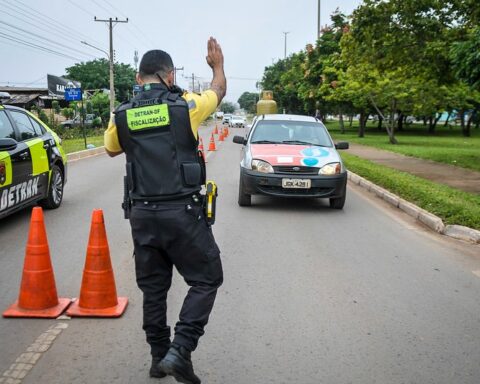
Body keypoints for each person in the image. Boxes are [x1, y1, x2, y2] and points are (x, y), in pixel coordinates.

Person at [104, 37, 226, 384]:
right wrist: (216, 66)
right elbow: (218, 91)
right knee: (206, 278)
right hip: (182, 213)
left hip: (142, 215)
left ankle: (159, 357)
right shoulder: (185, 105)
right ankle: (181, 350)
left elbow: (111, 149)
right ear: (170, 76)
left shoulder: (122, 114)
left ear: (139, 77)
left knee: (154, 289)